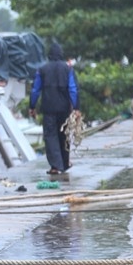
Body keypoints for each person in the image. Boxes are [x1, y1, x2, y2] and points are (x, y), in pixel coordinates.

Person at [28, 42, 79, 175]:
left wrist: (32, 106)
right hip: (64, 109)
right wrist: (76, 107)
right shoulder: (68, 69)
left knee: (51, 136)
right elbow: (73, 89)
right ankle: (65, 163)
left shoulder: (42, 69)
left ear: (49, 55)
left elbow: (35, 90)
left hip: (49, 109)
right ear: (61, 54)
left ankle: (56, 166)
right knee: (64, 136)